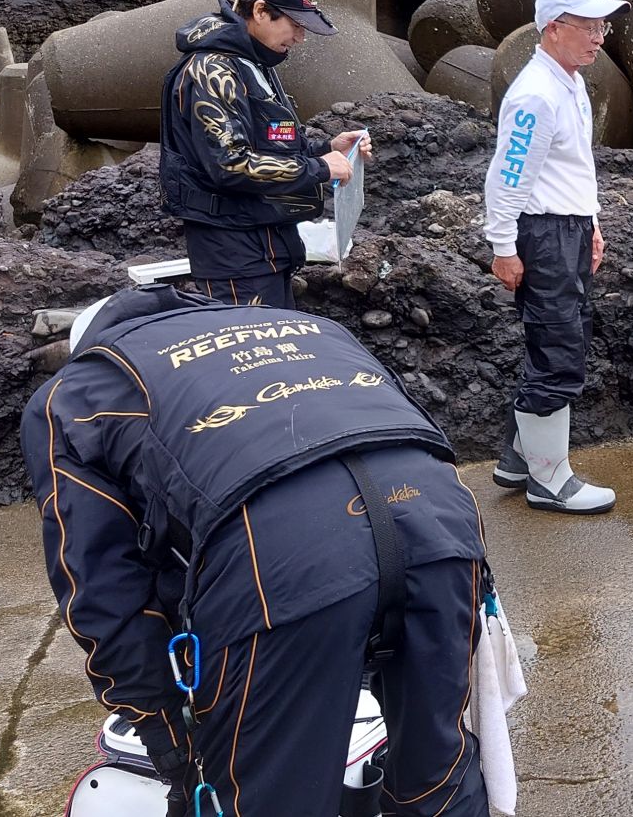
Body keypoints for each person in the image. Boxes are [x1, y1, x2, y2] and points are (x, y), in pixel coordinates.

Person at [25, 285, 489, 817]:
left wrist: (166, 734)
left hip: (280, 554)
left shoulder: (75, 392)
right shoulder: (313, 328)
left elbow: (100, 590)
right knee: (437, 780)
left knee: (268, 800)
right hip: (440, 516)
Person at [483, 0, 629, 515]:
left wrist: (589, 222)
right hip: (541, 234)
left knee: (565, 336)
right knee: (558, 350)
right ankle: (550, 480)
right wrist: (503, 246)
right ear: (553, 29)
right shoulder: (535, 95)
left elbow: (573, 166)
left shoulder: (568, 81)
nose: (598, 37)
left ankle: (520, 459)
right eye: (587, 26)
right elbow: (508, 176)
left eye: (601, 26)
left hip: (564, 228)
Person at [159, 0, 373, 309]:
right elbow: (229, 164)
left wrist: (328, 148)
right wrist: (319, 168)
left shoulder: (252, 60)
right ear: (260, 11)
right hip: (235, 255)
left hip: (265, 246)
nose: (301, 38)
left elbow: (270, 140)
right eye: (295, 24)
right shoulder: (213, 69)